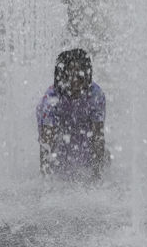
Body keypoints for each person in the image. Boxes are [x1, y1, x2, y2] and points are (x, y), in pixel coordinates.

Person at [36, 49, 107, 181]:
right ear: (61, 76)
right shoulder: (51, 99)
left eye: (79, 77)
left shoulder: (95, 95)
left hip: (83, 130)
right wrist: (45, 180)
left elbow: (98, 137)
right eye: (69, 75)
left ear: (88, 75)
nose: (74, 81)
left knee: (99, 157)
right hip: (59, 133)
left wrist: (97, 176)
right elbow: (46, 143)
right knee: (60, 164)